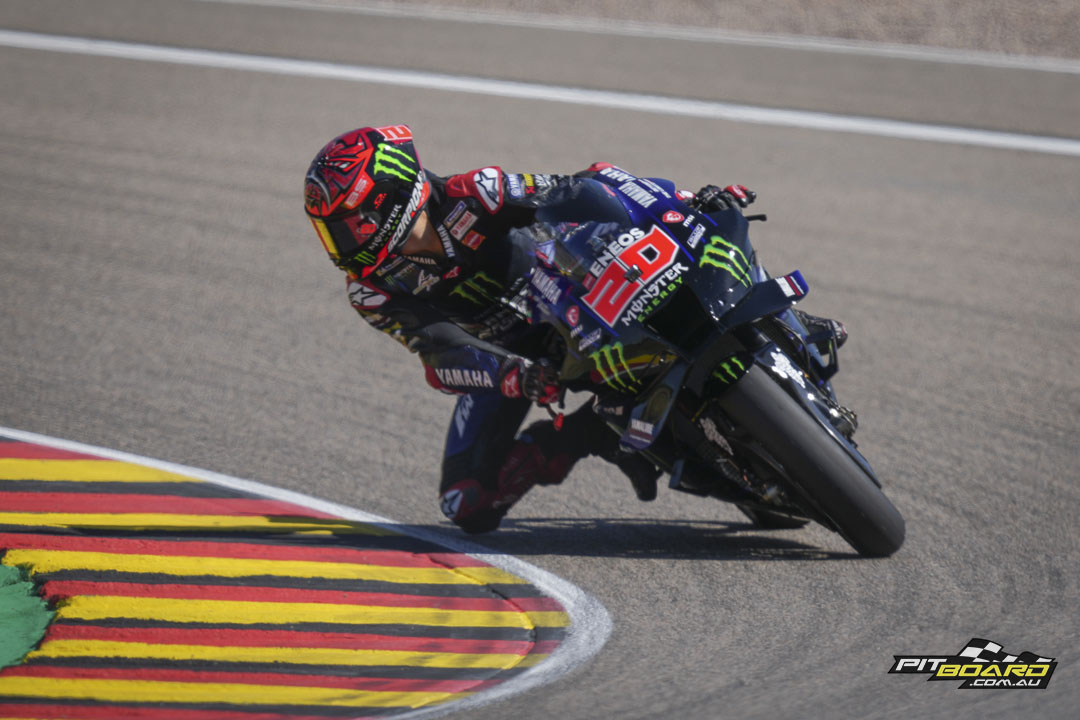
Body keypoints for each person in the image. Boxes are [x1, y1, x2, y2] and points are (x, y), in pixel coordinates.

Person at [303, 124, 828, 534]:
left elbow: (579, 190)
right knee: (466, 503)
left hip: (579, 287)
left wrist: (679, 205)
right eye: (331, 231)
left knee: (673, 207)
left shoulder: (478, 193)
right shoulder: (372, 290)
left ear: (392, 197)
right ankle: (589, 434)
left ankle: (785, 319)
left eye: (350, 224)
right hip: (519, 359)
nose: (342, 244)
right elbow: (439, 353)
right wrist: (511, 375)